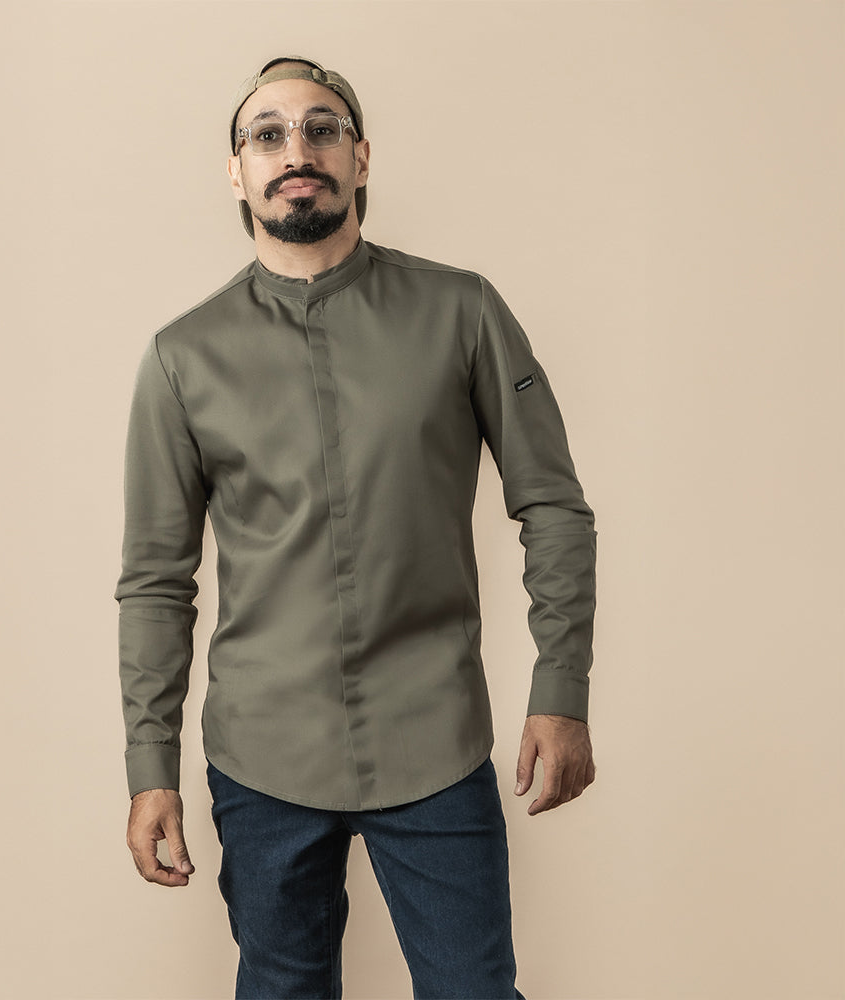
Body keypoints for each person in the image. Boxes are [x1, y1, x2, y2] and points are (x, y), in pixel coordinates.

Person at [115, 55, 597, 1000]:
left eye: (322, 128)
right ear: (238, 171)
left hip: (436, 736)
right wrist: (149, 766)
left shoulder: (463, 311)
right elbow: (156, 581)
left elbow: (553, 506)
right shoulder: (182, 358)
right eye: (268, 134)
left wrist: (561, 689)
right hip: (263, 756)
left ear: (361, 157)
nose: (297, 150)